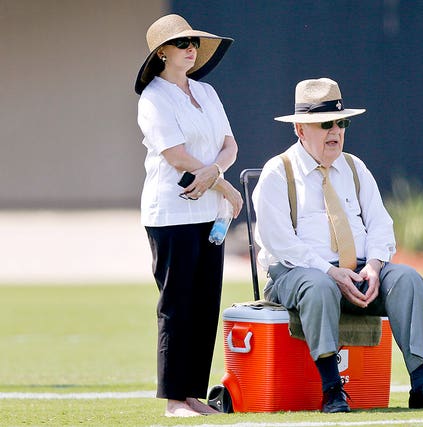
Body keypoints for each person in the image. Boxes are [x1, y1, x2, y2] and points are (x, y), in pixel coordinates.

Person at [252, 78, 423, 413]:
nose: (336, 130)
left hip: (359, 271)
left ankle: (421, 385)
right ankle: (332, 389)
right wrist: (331, 272)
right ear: (300, 129)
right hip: (298, 275)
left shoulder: (354, 167)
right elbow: (281, 244)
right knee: (318, 285)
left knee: (408, 279)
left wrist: (375, 266)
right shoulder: (278, 173)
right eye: (326, 123)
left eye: (341, 122)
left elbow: (381, 224)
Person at [134, 14, 243, 418]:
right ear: (162, 53)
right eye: (182, 44)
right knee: (177, 305)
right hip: (171, 213)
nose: (191, 48)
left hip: (208, 212)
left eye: (193, 42)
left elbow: (229, 145)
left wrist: (216, 174)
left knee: (203, 304)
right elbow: (175, 155)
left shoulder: (207, 92)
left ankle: (193, 396)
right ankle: (174, 401)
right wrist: (225, 185)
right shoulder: (154, 97)